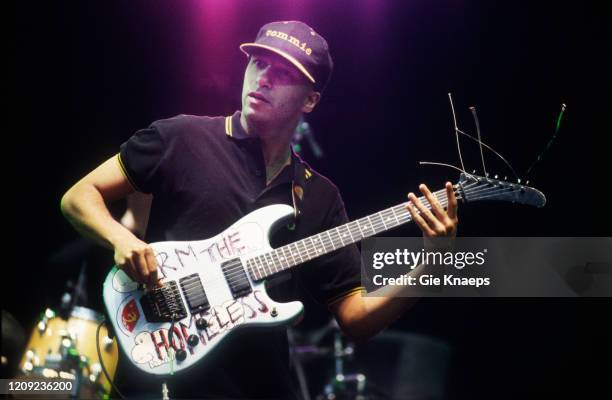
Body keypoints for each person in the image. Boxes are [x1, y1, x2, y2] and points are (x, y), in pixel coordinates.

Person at [61, 20, 458, 399]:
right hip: (166, 377)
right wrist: (120, 238)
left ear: (310, 100)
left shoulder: (319, 196)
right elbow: (79, 196)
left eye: (283, 72)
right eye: (259, 62)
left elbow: (356, 320)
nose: (263, 77)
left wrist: (430, 268)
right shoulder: (180, 137)